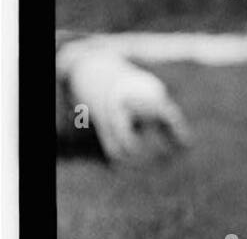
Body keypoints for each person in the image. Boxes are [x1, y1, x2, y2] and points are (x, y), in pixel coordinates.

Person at [56, 36, 191, 162]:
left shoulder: (70, 70)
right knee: (166, 117)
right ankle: (182, 147)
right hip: (141, 83)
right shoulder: (100, 49)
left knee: (91, 121)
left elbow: (80, 114)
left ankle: (86, 145)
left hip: (109, 97)